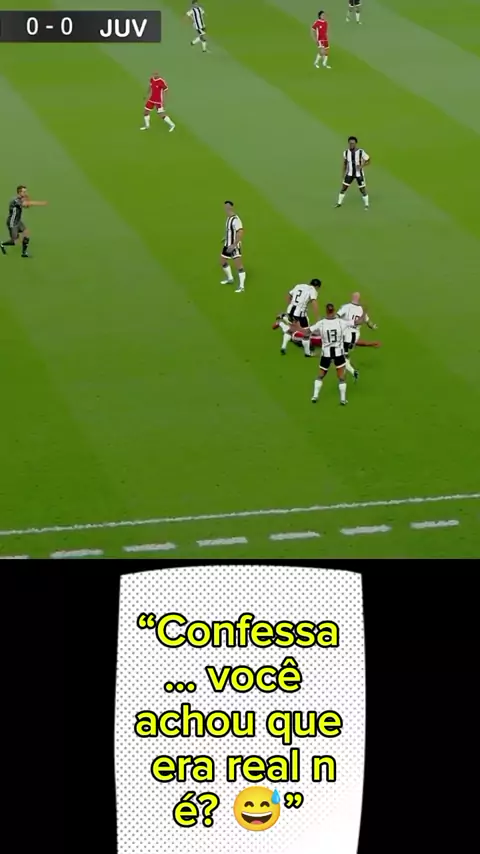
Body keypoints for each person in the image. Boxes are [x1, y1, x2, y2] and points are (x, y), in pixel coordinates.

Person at [291, 304, 354, 405]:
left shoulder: (321, 323)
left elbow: (307, 332)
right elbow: (356, 322)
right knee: (341, 377)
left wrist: (298, 327)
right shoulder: (340, 322)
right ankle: (343, 399)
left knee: (320, 375)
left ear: (326, 311)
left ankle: (315, 396)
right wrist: (364, 314)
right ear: (334, 310)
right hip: (338, 353)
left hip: (326, 353)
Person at [337, 292, 377, 380]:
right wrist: (373, 326)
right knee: (346, 355)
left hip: (345, 335)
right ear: (359, 299)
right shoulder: (361, 310)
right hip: (354, 337)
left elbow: (337, 316)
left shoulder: (346, 307)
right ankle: (344, 373)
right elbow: (368, 322)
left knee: (340, 356)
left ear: (352, 297)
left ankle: (352, 372)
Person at [1, 185, 47, 258]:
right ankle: (2, 244)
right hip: (12, 223)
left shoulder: (21, 199)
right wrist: (41, 203)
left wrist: (27, 197)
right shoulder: (15, 200)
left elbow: (27, 206)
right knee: (14, 242)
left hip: (18, 221)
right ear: (19, 192)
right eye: (24, 192)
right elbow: (27, 204)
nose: (26, 193)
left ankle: (24, 253)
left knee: (26, 233)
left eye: (26, 191)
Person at [280, 279, 321, 355]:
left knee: (293, 328)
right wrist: (317, 317)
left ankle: (284, 346)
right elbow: (314, 303)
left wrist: (291, 305)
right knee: (306, 332)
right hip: (300, 314)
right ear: (317, 286)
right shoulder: (313, 290)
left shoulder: (299, 286)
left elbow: (288, 296)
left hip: (290, 310)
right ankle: (308, 351)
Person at [336, 136, 370, 209]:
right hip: (349, 174)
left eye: (353, 143)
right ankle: (339, 203)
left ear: (355, 144)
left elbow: (368, 160)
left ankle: (366, 205)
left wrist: (361, 166)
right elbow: (345, 163)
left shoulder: (361, 152)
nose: (351, 145)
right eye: (350, 143)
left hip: (359, 174)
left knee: (362, 190)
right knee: (343, 188)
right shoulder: (346, 152)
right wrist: (343, 173)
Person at [220, 201, 246, 293]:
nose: (225, 208)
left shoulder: (236, 219)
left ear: (231, 207)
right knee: (222, 261)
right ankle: (230, 278)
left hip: (234, 246)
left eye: (227, 206)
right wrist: (226, 237)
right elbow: (230, 231)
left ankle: (241, 287)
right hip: (227, 244)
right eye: (225, 206)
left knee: (239, 266)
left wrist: (234, 245)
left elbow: (240, 232)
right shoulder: (228, 218)